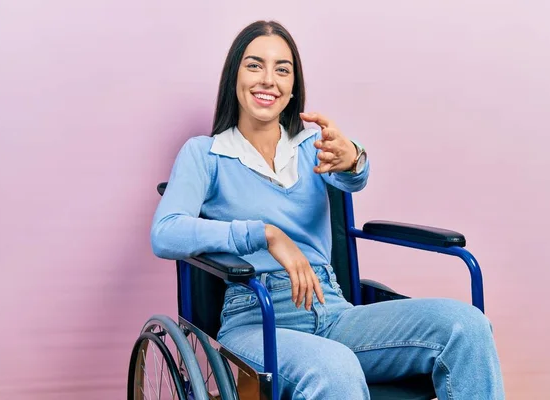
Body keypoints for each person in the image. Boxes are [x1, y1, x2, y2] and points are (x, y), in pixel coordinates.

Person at [151, 20, 504, 400]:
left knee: (466, 327)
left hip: (333, 311)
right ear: (234, 77)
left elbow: (352, 178)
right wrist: (265, 234)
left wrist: (354, 157)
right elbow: (166, 232)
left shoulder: (311, 146)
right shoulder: (206, 154)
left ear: (292, 89)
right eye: (255, 65)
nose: (268, 79)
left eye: (282, 70)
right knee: (334, 367)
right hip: (258, 318)